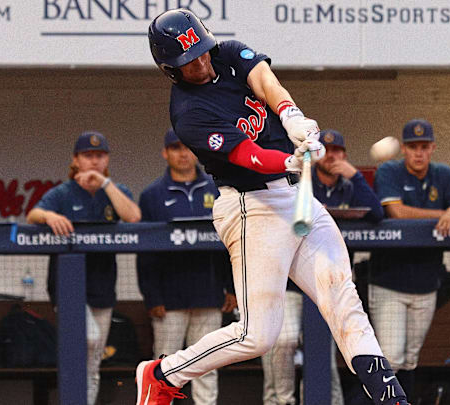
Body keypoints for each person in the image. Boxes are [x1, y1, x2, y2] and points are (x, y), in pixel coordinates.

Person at [138, 8, 408, 405]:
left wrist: (292, 115)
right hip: (252, 207)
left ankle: (392, 398)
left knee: (341, 295)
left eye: (200, 50)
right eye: (188, 61)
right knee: (258, 335)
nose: (199, 61)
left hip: (295, 196)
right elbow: (246, 154)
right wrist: (288, 160)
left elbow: (264, 80)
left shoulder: (226, 53)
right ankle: (164, 373)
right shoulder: (188, 113)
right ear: (170, 70)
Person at [261, 129, 382, 405]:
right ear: (316, 155)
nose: (332, 157)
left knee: (323, 351)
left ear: (345, 156)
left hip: (329, 283)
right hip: (291, 280)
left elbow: (377, 212)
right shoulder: (301, 181)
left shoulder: (350, 187)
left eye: (338, 151)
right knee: (284, 340)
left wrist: (355, 174)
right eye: (326, 151)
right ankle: (281, 401)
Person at [27, 131, 141, 405]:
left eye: (99, 156)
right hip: (68, 286)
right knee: (85, 341)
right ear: (75, 160)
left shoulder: (116, 191)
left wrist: (105, 183)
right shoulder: (63, 193)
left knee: (93, 362)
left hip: (102, 284)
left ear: (107, 160)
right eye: (87, 156)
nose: (93, 161)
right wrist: (50, 215)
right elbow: (32, 215)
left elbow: (134, 217)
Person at [370, 119, 450, 402]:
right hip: (388, 282)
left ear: (432, 148)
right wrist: (442, 214)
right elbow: (396, 212)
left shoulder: (442, 173)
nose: (419, 152)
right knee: (390, 357)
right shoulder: (389, 170)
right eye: (413, 146)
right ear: (403, 148)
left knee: (411, 358)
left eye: (424, 147)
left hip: (427, 283)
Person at [136, 128, 237, 405]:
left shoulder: (217, 188)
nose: (183, 153)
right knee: (164, 368)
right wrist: (152, 296)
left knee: (208, 366)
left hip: (209, 293)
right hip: (169, 299)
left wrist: (231, 288)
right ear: (165, 153)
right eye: (176, 148)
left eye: (188, 147)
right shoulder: (152, 195)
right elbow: (145, 253)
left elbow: (231, 243)